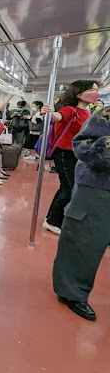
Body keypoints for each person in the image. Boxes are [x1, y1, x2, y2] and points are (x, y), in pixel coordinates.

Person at [52, 105, 110, 321]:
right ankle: (72, 291)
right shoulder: (106, 115)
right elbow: (82, 144)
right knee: (85, 239)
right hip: (100, 185)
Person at [41, 80, 100, 234]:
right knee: (69, 188)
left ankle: (51, 217)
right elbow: (58, 117)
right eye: (91, 90)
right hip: (64, 153)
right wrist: (49, 112)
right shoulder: (70, 110)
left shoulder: (88, 112)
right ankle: (53, 222)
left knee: (66, 187)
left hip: (77, 154)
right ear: (79, 94)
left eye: (97, 89)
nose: (96, 92)